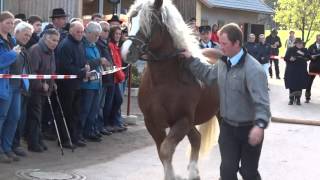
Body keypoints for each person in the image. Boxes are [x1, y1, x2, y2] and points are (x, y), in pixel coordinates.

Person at [181, 23, 271, 180]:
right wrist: (191, 59)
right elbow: (208, 75)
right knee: (227, 171)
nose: (220, 47)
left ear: (237, 44)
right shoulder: (223, 63)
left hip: (249, 129)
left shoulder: (254, 70)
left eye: (224, 44)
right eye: (220, 43)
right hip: (228, 128)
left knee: (248, 172)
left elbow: (262, 103)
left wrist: (260, 125)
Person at [26, 29, 60, 152]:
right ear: (46, 38)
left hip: (46, 89)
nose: (55, 43)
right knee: (35, 116)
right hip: (36, 90)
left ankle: (39, 139)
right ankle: (33, 142)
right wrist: (40, 85)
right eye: (53, 40)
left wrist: (53, 82)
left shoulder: (51, 52)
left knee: (40, 116)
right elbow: (32, 72)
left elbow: (51, 70)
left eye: (57, 40)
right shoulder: (36, 50)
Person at [0, 11, 24, 163]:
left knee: (14, 118)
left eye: (12, 23)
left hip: (16, 85)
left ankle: (7, 148)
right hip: (4, 85)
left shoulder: (12, 40)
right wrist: (13, 54)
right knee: (1, 118)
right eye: (8, 22)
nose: (11, 25)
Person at [10, 22, 34, 157]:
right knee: (13, 119)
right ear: (17, 32)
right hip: (14, 88)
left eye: (29, 36)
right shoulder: (13, 48)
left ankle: (15, 144)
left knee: (19, 119)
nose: (27, 37)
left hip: (23, 89)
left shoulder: (24, 49)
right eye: (25, 34)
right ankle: (10, 146)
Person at [79, 21, 105, 142]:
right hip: (87, 84)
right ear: (88, 33)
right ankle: (81, 132)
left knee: (94, 109)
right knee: (85, 109)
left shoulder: (94, 45)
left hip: (96, 82)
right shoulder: (83, 46)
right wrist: (99, 61)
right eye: (95, 34)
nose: (97, 37)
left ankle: (89, 130)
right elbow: (84, 63)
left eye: (99, 35)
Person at [106, 26, 127, 132]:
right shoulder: (111, 45)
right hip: (114, 78)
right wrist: (121, 76)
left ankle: (113, 122)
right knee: (113, 102)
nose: (118, 36)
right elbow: (114, 63)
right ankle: (109, 123)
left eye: (119, 34)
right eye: (116, 34)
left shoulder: (116, 46)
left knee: (117, 101)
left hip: (116, 78)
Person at [96, 21, 114, 135]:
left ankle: (100, 126)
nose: (107, 33)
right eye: (105, 30)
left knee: (102, 104)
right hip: (101, 78)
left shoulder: (106, 43)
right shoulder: (98, 44)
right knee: (98, 105)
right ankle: (97, 127)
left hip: (108, 78)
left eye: (108, 31)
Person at [284, 38, 309, 105]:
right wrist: (290, 59)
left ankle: (298, 99)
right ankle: (291, 99)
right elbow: (285, 58)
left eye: (301, 43)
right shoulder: (290, 49)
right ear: (296, 43)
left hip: (301, 70)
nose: (301, 44)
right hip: (292, 70)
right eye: (299, 43)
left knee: (299, 85)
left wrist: (305, 58)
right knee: (292, 85)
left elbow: (308, 57)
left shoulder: (304, 50)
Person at [305, 34, 320, 103]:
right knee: (309, 82)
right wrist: (311, 57)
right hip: (313, 67)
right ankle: (307, 97)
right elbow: (307, 56)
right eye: (318, 39)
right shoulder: (311, 46)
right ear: (316, 39)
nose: (319, 40)